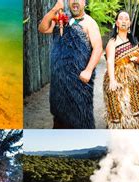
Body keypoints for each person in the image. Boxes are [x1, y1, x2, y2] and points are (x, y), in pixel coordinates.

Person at [38, 0, 103, 129]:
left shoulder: (89, 23)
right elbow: (42, 28)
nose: (75, 2)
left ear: (84, 2)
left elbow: (98, 48)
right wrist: (54, 10)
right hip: (59, 84)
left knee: (80, 120)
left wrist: (88, 70)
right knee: (59, 119)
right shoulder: (61, 20)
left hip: (78, 83)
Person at [103, 11, 139, 129]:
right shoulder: (112, 42)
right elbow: (110, 61)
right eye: (121, 18)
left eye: (126, 19)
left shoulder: (134, 42)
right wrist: (112, 80)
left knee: (135, 113)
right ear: (116, 23)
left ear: (130, 23)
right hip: (117, 82)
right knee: (119, 114)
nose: (123, 21)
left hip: (133, 84)